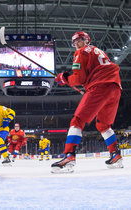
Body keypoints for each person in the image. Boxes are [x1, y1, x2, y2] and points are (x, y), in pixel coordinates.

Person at [52, 31, 123, 173]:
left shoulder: (81, 52)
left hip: (100, 87)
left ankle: (69, 156)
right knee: (103, 125)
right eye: (75, 42)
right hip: (115, 87)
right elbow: (93, 73)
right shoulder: (98, 50)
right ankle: (115, 155)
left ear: (87, 41)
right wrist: (88, 85)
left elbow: (79, 79)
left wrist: (64, 78)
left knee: (77, 121)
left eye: (80, 40)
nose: (78, 44)